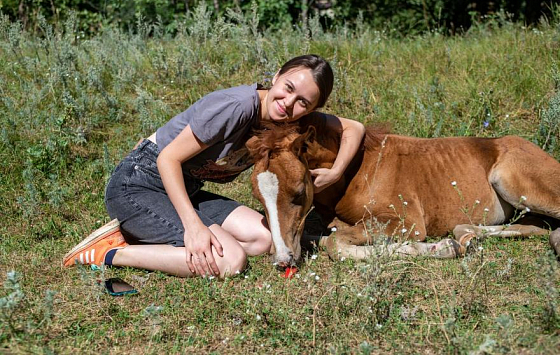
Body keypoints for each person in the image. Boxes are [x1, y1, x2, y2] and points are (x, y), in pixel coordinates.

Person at [62, 54, 366, 278]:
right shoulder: (235, 107)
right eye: (287, 87)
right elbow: (166, 158)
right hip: (138, 185)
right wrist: (194, 227)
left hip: (185, 189)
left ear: (311, 109)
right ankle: (110, 251)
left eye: (303, 102)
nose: (288, 102)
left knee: (262, 239)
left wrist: (336, 171)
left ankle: (154, 234)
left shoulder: (289, 118)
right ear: (276, 76)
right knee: (230, 261)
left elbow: (354, 128)